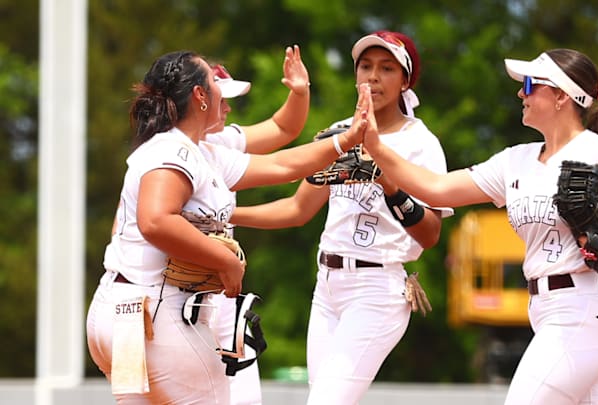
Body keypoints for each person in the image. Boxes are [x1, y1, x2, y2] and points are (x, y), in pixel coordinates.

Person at [362, 48, 598, 404]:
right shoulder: (516, 160)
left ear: (561, 95)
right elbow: (436, 188)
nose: (520, 93)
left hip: (585, 309)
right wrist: (375, 146)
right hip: (543, 311)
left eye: (529, 84)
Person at [86, 49, 370, 404]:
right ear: (199, 95)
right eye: (215, 84)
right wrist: (226, 263)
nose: (224, 95)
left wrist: (345, 140)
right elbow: (155, 221)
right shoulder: (174, 150)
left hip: (126, 313)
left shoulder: (198, 150)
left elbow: (281, 165)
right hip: (158, 315)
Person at [230, 30, 453, 404]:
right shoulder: (340, 134)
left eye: (386, 68)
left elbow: (430, 235)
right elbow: (297, 209)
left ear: (405, 81)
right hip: (327, 287)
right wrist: (223, 215)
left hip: (377, 288)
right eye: (365, 66)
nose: (373, 77)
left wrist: (387, 182)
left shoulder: (421, 143)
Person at [206, 47, 311, 405]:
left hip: (218, 302)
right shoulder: (168, 153)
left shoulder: (219, 141)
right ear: (196, 99)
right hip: (177, 303)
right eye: (222, 98)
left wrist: (300, 92)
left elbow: (284, 127)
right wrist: (344, 142)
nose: (228, 107)